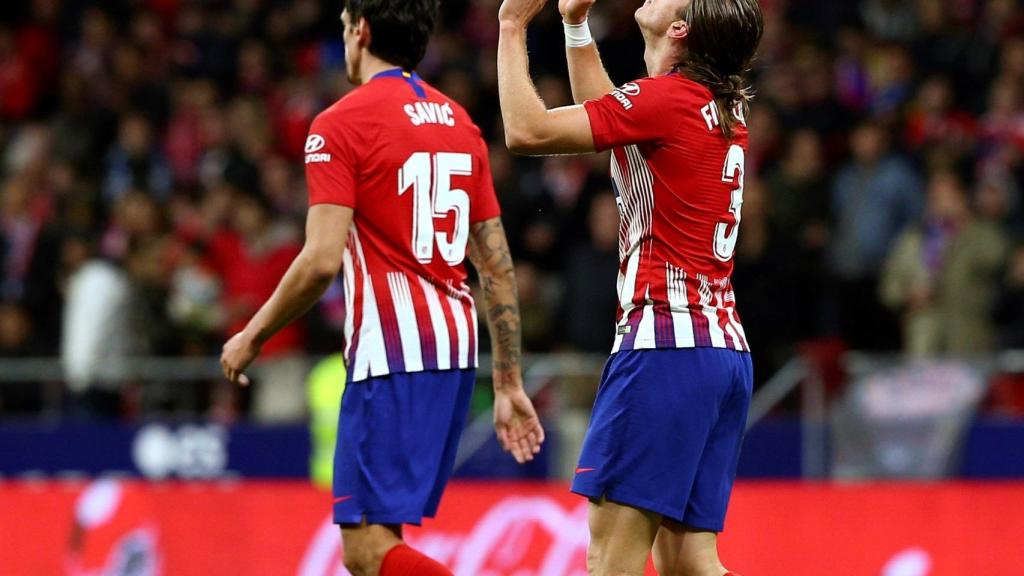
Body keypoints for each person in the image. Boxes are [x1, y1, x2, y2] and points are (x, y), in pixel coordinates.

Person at [219, 2, 545, 575]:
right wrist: (509, 381)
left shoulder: (340, 124)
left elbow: (321, 260)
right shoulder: (460, 124)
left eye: (344, 26)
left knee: (365, 550)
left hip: (392, 355)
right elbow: (494, 266)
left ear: (360, 31)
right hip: (455, 352)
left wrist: (253, 333)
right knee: (382, 537)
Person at [496, 0, 761, 575]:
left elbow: (526, 130)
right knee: (690, 562)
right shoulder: (715, 106)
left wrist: (512, 26)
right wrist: (572, 25)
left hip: (664, 348)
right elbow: (611, 115)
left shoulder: (666, 102)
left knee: (609, 559)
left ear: (680, 28)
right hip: (720, 353)